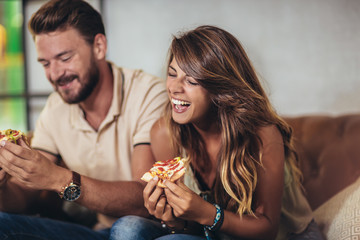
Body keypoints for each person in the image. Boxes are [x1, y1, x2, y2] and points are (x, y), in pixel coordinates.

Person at [109, 25, 324, 240]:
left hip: (285, 236)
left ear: (220, 89)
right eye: (172, 74)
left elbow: (267, 230)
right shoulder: (164, 132)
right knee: (127, 228)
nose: (174, 88)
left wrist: (207, 212)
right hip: (215, 235)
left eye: (191, 81)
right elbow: (191, 229)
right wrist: (172, 220)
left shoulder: (262, 134)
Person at [0, 0, 167, 239]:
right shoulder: (55, 108)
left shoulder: (148, 94)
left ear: (99, 46)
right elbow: (24, 198)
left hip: (151, 228)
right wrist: (3, 184)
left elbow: (144, 200)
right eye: (45, 63)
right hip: (98, 232)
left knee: (129, 228)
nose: (55, 74)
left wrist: (58, 178)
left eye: (65, 58)